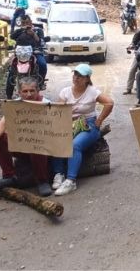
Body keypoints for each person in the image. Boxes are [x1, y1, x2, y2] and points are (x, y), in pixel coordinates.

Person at [51, 64, 114, 196]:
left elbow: (109, 103)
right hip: (68, 124)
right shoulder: (65, 92)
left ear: (87, 78)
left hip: (88, 125)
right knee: (57, 140)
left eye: (80, 76)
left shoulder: (92, 92)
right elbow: (57, 111)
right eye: (75, 75)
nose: (76, 78)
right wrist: (67, 111)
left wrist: (99, 120)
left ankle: (71, 181)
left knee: (75, 145)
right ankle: (59, 174)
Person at [0, 77, 52, 196]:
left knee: (36, 139)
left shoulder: (47, 104)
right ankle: (9, 176)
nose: (29, 94)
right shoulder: (15, 104)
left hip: (42, 148)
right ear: (19, 92)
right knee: (0, 137)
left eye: (32, 91)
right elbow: (2, 123)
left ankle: (42, 181)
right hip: (21, 145)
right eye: (25, 91)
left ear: (38, 91)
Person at [10, 15, 48, 88]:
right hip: (20, 54)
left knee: (42, 64)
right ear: (21, 23)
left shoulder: (38, 30)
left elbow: (41, 42)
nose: (25, 25)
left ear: (31, 22)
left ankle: (41, 83)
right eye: (23, 23)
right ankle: (9, 92)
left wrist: (33, 34)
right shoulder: (19, 31)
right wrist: (21, 30)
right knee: (12, 68)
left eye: (27, 22)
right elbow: (12, 37)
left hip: (35, 52)